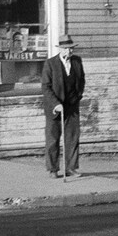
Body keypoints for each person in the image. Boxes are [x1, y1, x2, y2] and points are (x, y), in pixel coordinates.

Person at [42, 34, 85, 178]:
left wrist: (77, 97)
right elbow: (46, 87)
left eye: (71, 48)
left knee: (72, 138)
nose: (69, 51)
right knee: (53, 139)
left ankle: (71, 168)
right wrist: (56, 104)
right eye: (66, 49)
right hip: (54, 108)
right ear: (60, 49)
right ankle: (53, 169)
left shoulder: (77, 62)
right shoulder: (50, 64)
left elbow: (81, 81)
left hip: (72, 106)